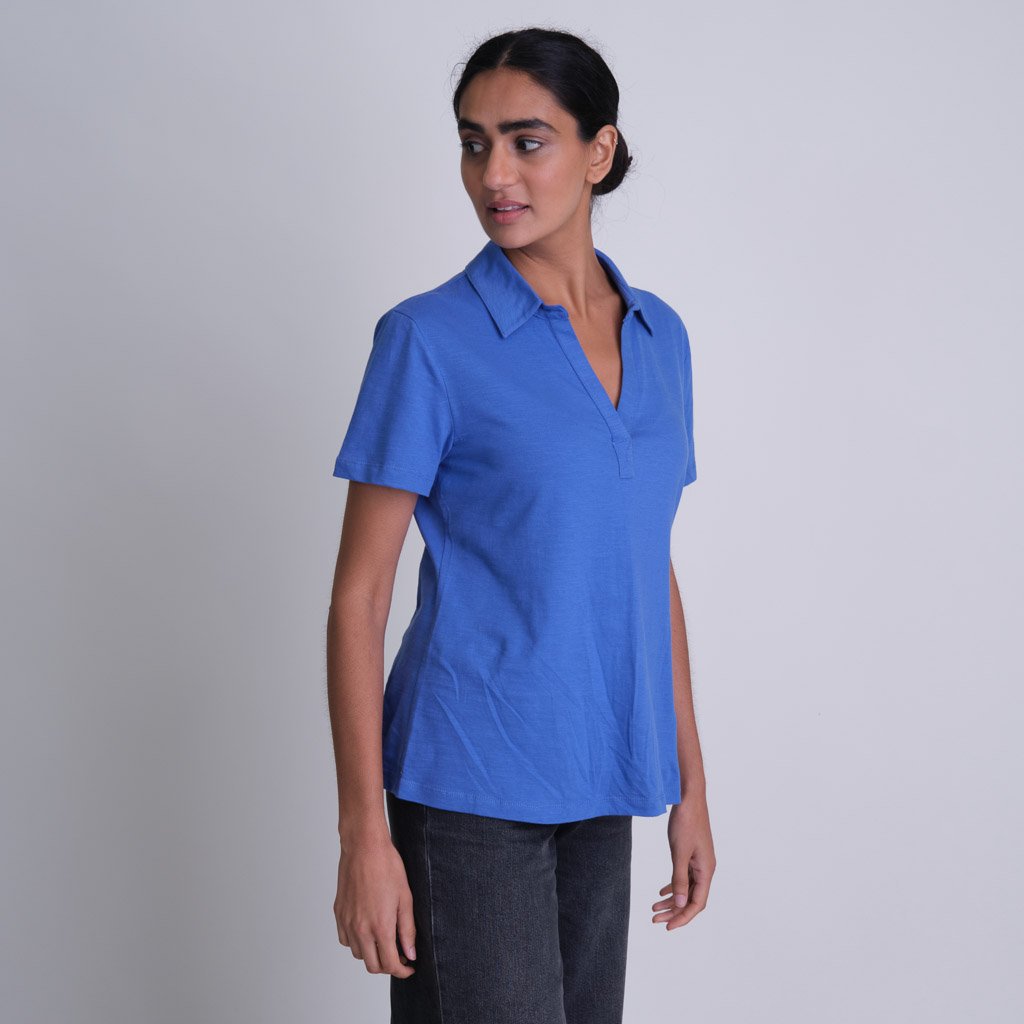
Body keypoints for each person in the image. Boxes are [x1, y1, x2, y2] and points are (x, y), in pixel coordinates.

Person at [327, 26, 715, 1024]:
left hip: (604, 775)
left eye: (526, 141)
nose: (493, 174)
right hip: (467, 784)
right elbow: (359, 597)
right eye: (474, 143)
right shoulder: (428, 339)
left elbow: (647, 564)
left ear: (599, 151)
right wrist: (365, 836)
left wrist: (691, 786)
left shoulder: (659, 335)